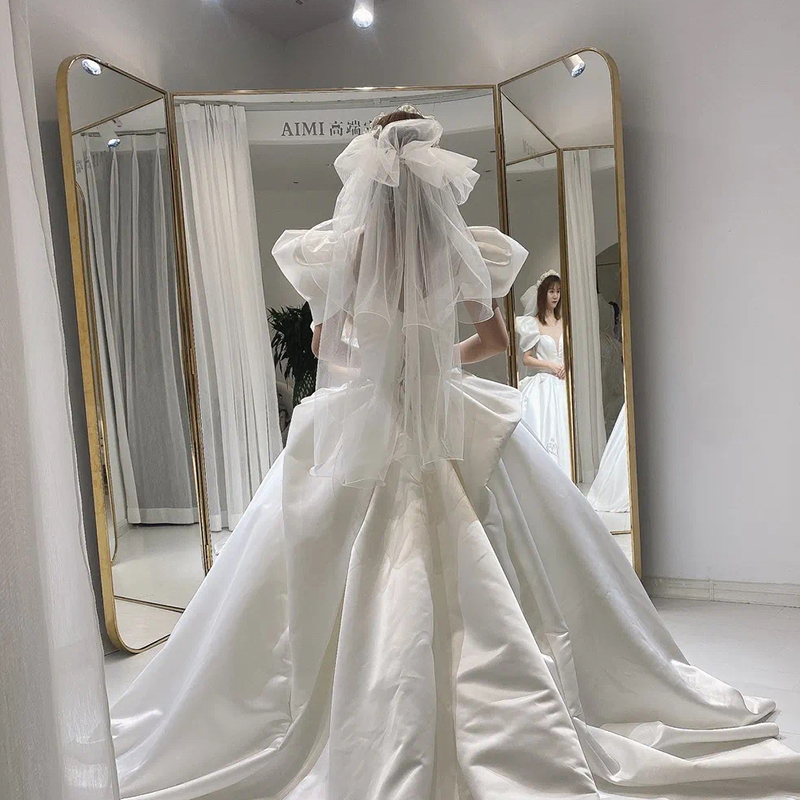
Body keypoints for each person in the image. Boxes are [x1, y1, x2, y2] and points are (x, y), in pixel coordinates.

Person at [110, 107, 800, 800]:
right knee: (513, 542)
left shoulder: (344, 250)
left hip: (368, 413)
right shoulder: (459, 247)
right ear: (433, 169)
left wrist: (381, 371)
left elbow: (325, 348)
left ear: (371, 169)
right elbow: (495, 342)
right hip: (446, 408)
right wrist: (435, 363)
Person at [515, 272, 572, 475]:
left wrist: (566, 365)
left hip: (564, 383)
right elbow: (526, 359)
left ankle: (567, 473)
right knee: (546, 427)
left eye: (558, 291)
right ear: (542, 294)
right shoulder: (533, 324)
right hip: (544, 384)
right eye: (551, 291)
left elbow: (571, 352)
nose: (555, 296)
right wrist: (550, 365)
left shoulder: (565, 322)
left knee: (565, 427)